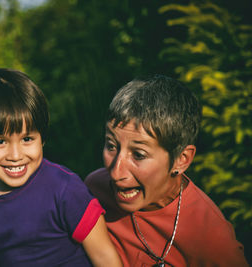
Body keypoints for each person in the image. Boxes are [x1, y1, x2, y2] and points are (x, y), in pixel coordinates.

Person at [0, 68, 122, 267]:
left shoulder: (65, 189)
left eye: (27, 139)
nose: (16, 156)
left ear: (42, 138)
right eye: (0, 142)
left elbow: (105, 257)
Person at [85, 74, 249, 267]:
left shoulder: (211, 237)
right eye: (111, 146)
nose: (115, 173)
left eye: (138, 155)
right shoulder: (94, 190)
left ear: (181, 160)